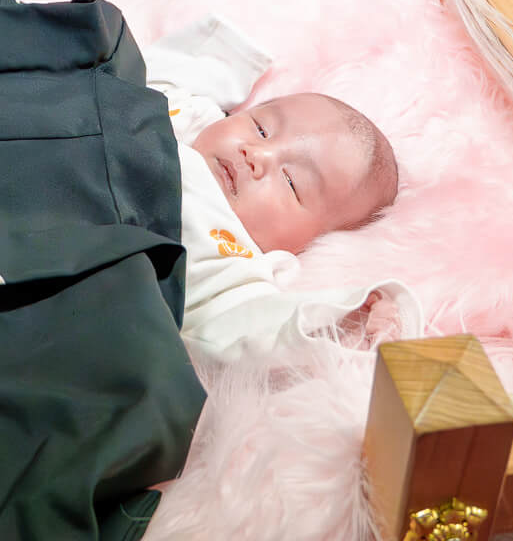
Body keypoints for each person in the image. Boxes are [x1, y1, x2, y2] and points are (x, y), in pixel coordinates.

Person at [143, 18, 418, 361]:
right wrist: (226, 58)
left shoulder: (235, 263)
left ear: (308, 244)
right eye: (260, 128)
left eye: (291, 183)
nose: (256, 155)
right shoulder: (189, 115)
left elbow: (246, 336)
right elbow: (137, 74)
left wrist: (347, 314)